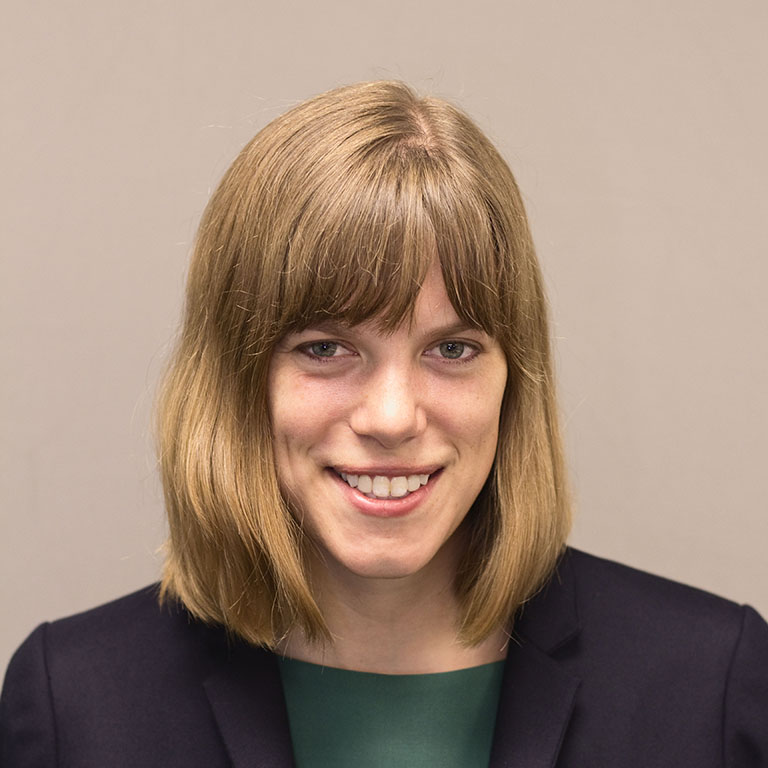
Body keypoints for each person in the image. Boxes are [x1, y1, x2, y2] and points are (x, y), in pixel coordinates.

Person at [1, 80, 767, 767]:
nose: (393, 417)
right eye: (325, 349)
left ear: (514, 378)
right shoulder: (75, 704)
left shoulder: (710, 685)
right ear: (237, 380)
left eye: (452, 349)